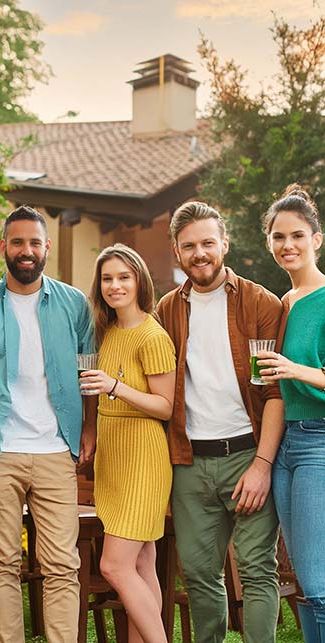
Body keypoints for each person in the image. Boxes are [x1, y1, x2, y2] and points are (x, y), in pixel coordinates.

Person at [0, 205, 96, 643]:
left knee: (62, 565)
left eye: (35, 242)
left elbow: (88, 371)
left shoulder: (74, 304)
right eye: (17, 242)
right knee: (2, 564)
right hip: (1, 452)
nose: (27, 250)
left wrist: (88, 430)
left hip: (57, 450)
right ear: (4, 247)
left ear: (47, 247)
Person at [156, 201, 284, 643]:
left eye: (208, 243)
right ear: (176, 251)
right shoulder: (167, 310)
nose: (200, 253)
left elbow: (275, 393)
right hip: (190, 460)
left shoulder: (260, 302)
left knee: (256, 570)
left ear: (224, 244)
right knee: (198, 572)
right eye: (189, 246)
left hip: (247, 453)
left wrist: (263, 465)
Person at [79, 244, 175, 643]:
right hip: (113, 459)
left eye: (123, 277)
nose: (115, 286)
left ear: (139, 281)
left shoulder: (152, 335)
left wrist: (116, 387)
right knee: (142, 565)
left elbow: (165, 407)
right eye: (107, 279)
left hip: (143, 458)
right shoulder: (108, 332)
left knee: (114, 566)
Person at [257, 184, 325, 641]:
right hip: (284, 447)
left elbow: (301, 373)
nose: (288, 246)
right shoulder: (284, 303)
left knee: (318, 581)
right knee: (302, 574)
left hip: (318, 442)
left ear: (317, 238)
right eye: (279, 237)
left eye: (297, 235)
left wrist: (295, 368)